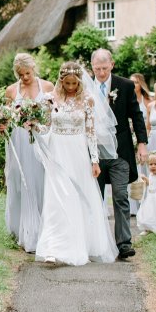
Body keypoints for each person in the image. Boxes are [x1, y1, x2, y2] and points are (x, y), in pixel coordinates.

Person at [28, 62, 118, 266]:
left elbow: (91, 132)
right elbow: (47, 127)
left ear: (79, 82)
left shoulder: (88, 99)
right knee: (56, 198)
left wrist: (95, 160)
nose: (70, 87)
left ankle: (79, 244)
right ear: (61, 81)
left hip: (77, 153)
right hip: (57, 152)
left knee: (77, 197)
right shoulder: (50, 99)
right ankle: (52, 247)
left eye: (74, 83)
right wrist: (34, 125)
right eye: (66, 83)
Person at [90, 49, 148, 259]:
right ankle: (96, 242)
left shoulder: (125, 85)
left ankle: (124, 243)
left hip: (119, 152)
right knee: (95, 198)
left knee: (121, 197)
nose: (101, 73)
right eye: (97, 69)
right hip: (94, 153)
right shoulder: (85, 87)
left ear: (112, 65)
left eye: (105, 68)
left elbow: (136, 115)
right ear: (92, 67)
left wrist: (142, 143)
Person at [0, 53, 55, 252]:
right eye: (21, 74)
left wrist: (39, 123)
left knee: (40, 180)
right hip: (19, 140)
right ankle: (22, 229)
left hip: (40, 139)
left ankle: (43, 230)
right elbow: (5, 117)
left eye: (27, 73)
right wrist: (2, 125)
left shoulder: (47, 87)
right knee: (20, 181)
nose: (24, 78)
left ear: (34, 69)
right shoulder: (11, 91)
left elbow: (53, 117)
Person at [127, 73, 153, 214]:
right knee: (133, 171)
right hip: (131, 137)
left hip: (144, 139)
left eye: (136, 83)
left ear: (140, 84)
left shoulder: (148, 101)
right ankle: (133, 206)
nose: (133, 85)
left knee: (145, 171)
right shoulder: (125, 98)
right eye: (131, 82)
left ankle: (147, 204)